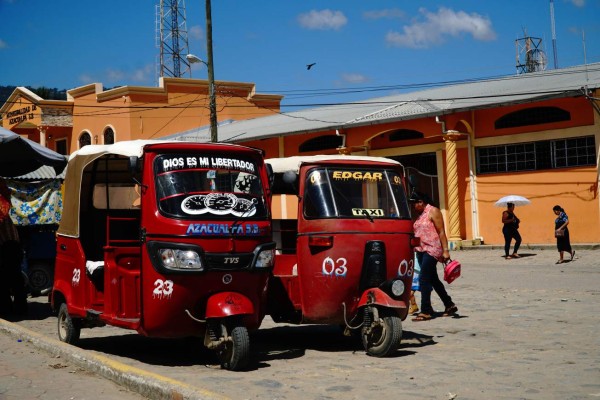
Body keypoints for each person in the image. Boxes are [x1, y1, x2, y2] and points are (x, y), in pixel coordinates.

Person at [409, 191, 457, 321]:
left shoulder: (433, 211)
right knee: (433, 280)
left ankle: (425, 310)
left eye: (415, 203)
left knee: (424, 278)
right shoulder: (420, 216)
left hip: (432, 249)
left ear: (421, 202)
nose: (414, 206)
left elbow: (441, 231)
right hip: (421, 250)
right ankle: (449, 305)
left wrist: (445, 250)